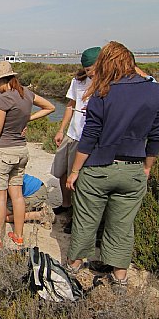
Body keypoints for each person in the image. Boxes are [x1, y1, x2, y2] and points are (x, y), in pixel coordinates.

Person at [65, 41, 159, 293]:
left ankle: (74, 264)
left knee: (86, 219)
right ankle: (120, 275)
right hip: (133, 166)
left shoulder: (103, 91)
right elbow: (157, 135)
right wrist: (147, 166)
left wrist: (75, 170)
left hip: (98, 167)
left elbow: (90, 135)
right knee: (122, 224)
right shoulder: (156, 91)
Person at [0, 61, 55, 248]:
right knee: (17, 195)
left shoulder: (5, 99)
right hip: (21, 151)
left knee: (0, 198)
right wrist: (27, 118)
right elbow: (50, 107)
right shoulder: (26, 94)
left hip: (4, 152)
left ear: (1, 81)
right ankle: (19, 235)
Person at [51, 47, 101, 232]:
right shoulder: (78, 82)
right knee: (62, 171)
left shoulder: (109, 84)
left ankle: (77, 217)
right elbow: (70, 106)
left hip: (87, 138)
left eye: (94, 68)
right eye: (88, 70)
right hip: (72, 134)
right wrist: (61, 129)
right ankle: (66, 205)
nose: (91, 73)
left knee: (78, 178)